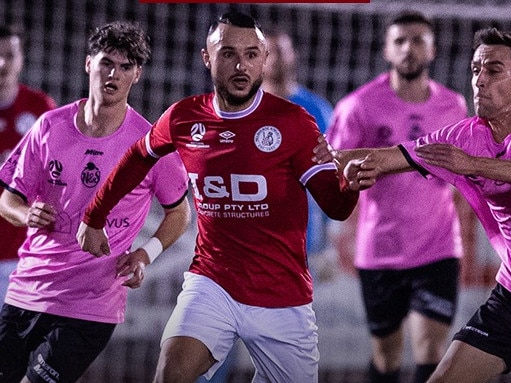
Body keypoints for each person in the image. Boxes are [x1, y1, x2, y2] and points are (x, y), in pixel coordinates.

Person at [77, 11, 359, 383]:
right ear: (207, 58)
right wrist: (93, 217)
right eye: (228, 53)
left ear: (263, 59)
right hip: (212, 283)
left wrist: (351, 184)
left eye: (251, 54)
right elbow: (135, 159)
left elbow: (335, 208)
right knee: (171, 372)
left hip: (282, 293)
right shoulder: (183, 117)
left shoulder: (295, 122)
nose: (241, 65)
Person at [314, 26, 511, 383]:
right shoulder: (466, 135)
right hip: (508, 295)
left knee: (427, 347)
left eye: (493, 70)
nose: (479, 80)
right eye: (475, 69)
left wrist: (472, 165)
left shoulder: (463, 140)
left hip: (436, 252)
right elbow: (392, 157)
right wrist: (327, 158)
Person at [0, 21, 191, 383]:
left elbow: (180, 212)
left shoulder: (149, 145)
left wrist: (144, 253)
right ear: (89, 64)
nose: (113, 74)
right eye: (106, 62)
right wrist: (27, 213)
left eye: (125, 67)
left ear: (137, 75)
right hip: (29, 289)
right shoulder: (49, 126)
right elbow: (7, 199)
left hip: (92, 304)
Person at [262, 24, 334, 262]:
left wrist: (332, 233)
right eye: (268, 53)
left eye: (281, 52)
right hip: (251, 234)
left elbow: (333, 173)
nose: (275, 60)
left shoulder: (317, 110)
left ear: (293, 55)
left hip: (302, 237)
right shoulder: (241, 109)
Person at [0, 24, 57, 301]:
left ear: (21, 59)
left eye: (9, 56)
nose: (2, 64)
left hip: (25, 255)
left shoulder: (40, 109)